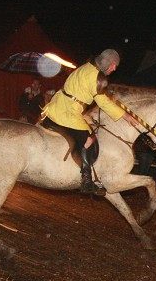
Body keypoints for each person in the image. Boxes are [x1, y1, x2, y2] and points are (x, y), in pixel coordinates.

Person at [40, 49, 138, 195]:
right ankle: (86, 179)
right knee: (89, 138)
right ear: (106, 63)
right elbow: (103, 103)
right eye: (113, 65)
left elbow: (90, 91)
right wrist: (126, 116)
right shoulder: (97, 77)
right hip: (67, 111)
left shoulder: (85, 67)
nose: (114, 68)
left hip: (56, 106)